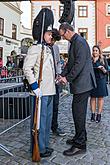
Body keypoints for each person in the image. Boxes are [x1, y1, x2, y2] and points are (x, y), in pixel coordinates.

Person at [58, 22, 96, 156]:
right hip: (81, 84)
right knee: (77, 112)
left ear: (67, 31)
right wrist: (62, 74)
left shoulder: (79, 42)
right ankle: (80, 137)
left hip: (83, 84)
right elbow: (70, 63)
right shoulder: (75, 42)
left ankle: (80, 145)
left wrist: (67, 79)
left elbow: (78, 65)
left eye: (63, 35)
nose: (63, 38)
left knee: (78, 113)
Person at [23, 8, 56, 158]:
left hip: (49, 90)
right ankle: (38, 148)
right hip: (39, 92)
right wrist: (34, 87)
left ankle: (44, 145)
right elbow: (27, 68)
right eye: (49, 34)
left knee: (46, 122)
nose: (51, 37)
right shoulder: (35, 48)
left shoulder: (47, 49)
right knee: (38, 123)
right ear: (42, 34)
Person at [50, 28, 66, 136]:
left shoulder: (55, 47)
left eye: (55, 41)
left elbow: (58, 62)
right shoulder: (42, 46)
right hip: (45, 82)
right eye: (53, 40)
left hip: (55, 81)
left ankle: (54, 127)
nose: (53, 42)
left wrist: (59, 75)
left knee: (55, 105)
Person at [90, 45, 108, 123]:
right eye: (93, 50)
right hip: (92, 80)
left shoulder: (103, 59)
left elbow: (107, 72)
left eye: (96, 50)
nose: (94, 52)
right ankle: (93, 114)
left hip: (101, 80)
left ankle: (99, 115)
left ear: (99, 51)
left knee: (100, 98)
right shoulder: (90, 60)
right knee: (92, 98)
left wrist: (103, 69)